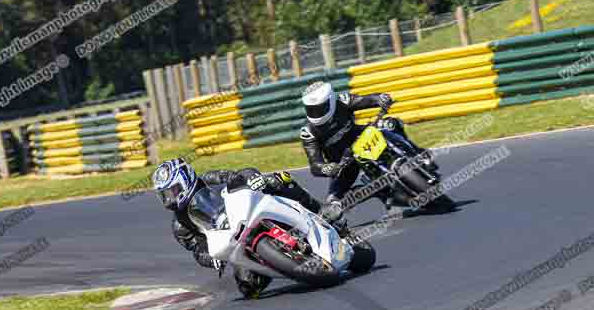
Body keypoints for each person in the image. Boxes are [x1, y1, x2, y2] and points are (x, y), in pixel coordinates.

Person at [153, 158, 345, 298]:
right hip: (233, 239)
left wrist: (251, 178)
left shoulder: (209, 180)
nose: (169, 198)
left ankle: (321, 210)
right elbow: (197, 250)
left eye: (173, 191)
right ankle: (284, 263)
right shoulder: (180, 226)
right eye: (164, 195)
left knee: (278, 179)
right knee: (249, 288)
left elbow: (236, 176)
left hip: (248, 210)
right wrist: (211, 259)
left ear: (185, 179)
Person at [299, 81, 437, 207]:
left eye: (320, 108)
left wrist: (380, 99)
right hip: (344, 163)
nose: (316, 113)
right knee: (334, 202)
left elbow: (366, 100)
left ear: (331, 100)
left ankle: (419, 154)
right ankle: (385, 195)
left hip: (363, 137)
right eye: (312, 109)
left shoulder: (342, 101)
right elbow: (315, 164)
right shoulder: (308, 131)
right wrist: (326, 168)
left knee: (389, 124)